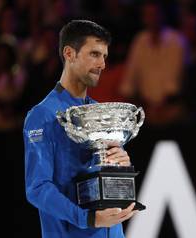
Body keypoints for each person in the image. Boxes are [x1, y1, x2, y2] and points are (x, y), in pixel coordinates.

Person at [23, 20, 137, 238]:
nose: (102, 64)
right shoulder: (42, 116)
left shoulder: (102, 114)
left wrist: (118, 162)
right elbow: (37, 189)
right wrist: (88, 218)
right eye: (94, 54)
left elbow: (100, 176)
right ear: (69, 53)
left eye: (104, 56)